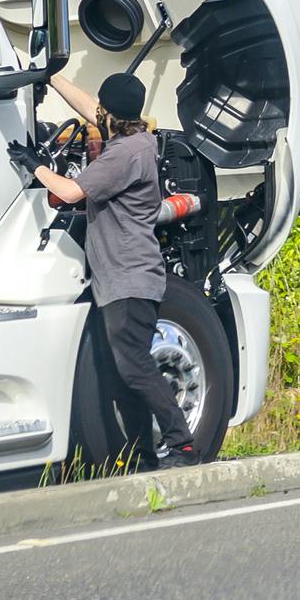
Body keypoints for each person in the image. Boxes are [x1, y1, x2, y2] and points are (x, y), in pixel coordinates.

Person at [29, 70, 197, 469]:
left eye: (101, 108)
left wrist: (34, 166)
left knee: (135, 368)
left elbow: (68, 191)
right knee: (122, 375)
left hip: (130, 278)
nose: (95, 112)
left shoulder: (124, 154)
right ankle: (141, 456)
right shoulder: (138, 139)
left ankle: (183, 445)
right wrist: (53, 78)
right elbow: (90, 107)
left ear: (110, 113)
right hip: (121, 279)